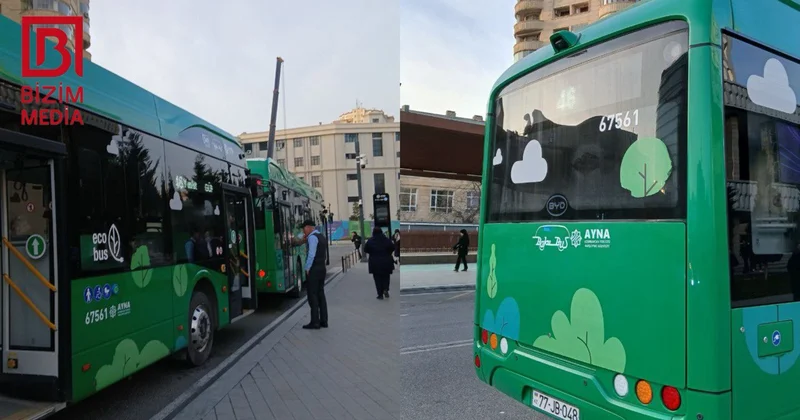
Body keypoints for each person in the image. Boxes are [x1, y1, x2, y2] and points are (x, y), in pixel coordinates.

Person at [301, 220, 328, 329]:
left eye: (304, 228)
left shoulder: (312, 238)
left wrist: (307, 268)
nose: (303, 231)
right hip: (322, 268)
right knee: (321, 294)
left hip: (314, 269)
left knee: (312, 295)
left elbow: (311, 254)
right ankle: (324, 320)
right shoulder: (321, 236)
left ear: (309, 227)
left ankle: (315, 322)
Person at [364, 227, 395, 299]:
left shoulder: (370, 240)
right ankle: (386, 289)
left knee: (377, 278)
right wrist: (388, 253)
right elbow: (392, 247)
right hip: (386, 261)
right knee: (386, 277)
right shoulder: (387, 240)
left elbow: (366, 249)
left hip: (375, 262)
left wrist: (372, 253)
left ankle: (380, 294)